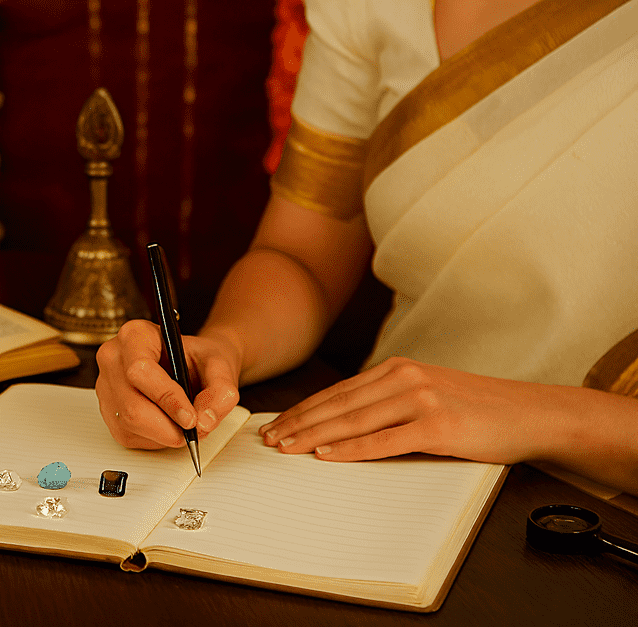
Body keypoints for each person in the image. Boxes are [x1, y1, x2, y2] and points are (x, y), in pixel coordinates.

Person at [95, 0, 638, 496]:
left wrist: (537, 418)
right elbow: (302, 256)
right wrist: (223, 348)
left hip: (595, 507)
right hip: (391, 462)